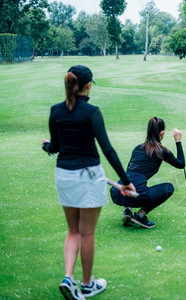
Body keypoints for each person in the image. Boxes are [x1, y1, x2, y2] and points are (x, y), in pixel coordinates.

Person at [42, 65, 136, 300]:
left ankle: (67, 277)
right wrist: (125, 181)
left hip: (64, 175)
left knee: (73, 230)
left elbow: (55, 147)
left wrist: (46, 147)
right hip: (89, 176)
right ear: (88, 85)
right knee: (87, 234)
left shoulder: (55, 111)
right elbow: (108, 149)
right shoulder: (92, 112)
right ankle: (86, 285)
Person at [110, 117, 185, 229]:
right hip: (137, 194)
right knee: (169, 188)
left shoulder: (137, 148)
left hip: (117, 191)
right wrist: (178, 141)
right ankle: (140, 215)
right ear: (162, 133)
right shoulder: (161, 151)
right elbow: (181, 164)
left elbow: (128, 173)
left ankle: (127, 210)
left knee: (132, 179)